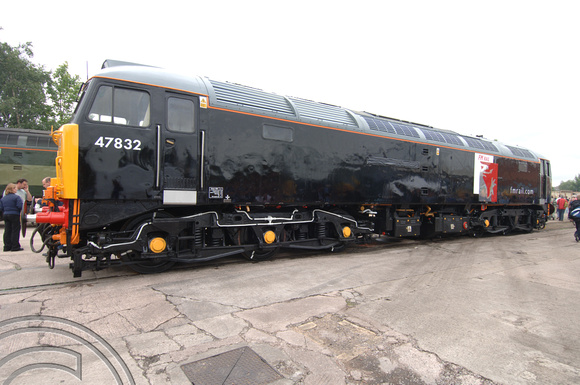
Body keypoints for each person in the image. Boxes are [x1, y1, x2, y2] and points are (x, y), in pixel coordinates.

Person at [0, 183, 24, 251]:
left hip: (6, 215)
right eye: (15, 188)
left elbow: (1, 208)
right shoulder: (16, 197)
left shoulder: (3, 198)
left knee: (7, 230)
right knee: (15, 231)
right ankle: (15, 246)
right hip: (14, 215)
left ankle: (7, 246)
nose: (16, 189)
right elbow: (20, 206)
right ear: (12, 189)